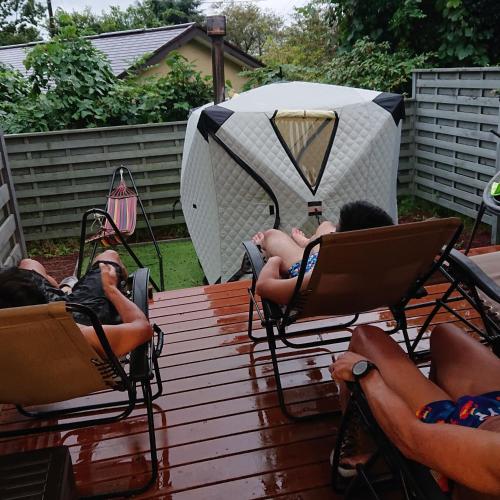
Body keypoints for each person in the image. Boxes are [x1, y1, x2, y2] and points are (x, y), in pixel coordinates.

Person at [330, 323, 500, 499]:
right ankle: (432, 398)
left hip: (459, 462)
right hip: (490, 420)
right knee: (445, 334)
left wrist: (365, 373)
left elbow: (409, 437)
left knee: (365, 337)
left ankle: (362, 445)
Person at [0, 250, 152, 358]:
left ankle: (64, 291)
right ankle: (66, 291)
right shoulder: (84, 337)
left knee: (29, 264)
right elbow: (143, 329)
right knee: (109, 256)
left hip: (41, 314)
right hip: (84, 315)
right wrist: (111, 289)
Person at [252, 200, 394, 304]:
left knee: (271, 235)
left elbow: (263, 287)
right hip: (339, 260)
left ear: (340, 242)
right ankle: (308, 243)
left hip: (310, 266)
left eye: (336, 232)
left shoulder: (317, 278)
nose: (333, 233)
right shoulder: (385, 265)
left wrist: (273, 260)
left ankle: (306, 246)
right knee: (326, 225)